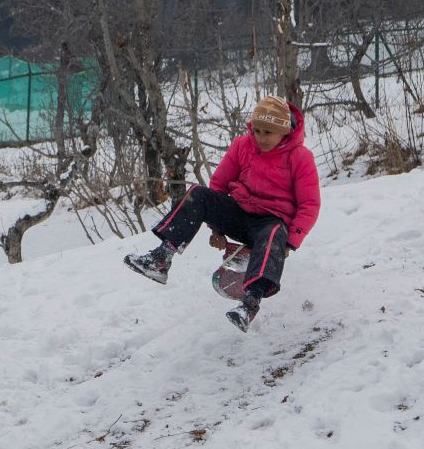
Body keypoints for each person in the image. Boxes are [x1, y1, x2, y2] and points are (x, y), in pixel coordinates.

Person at [124, 95, 320, 332]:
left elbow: (309, 204)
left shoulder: (300, 158)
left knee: (274, 231)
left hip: (270, 225)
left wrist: (289, 243)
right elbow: (219, 184)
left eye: (267, 133)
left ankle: (250, 303)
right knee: (199, 194)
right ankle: (161, 258)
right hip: (239, 213)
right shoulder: (242, 146)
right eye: (256, 131)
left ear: (284, 131)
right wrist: (216, 229)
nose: (260, 138)